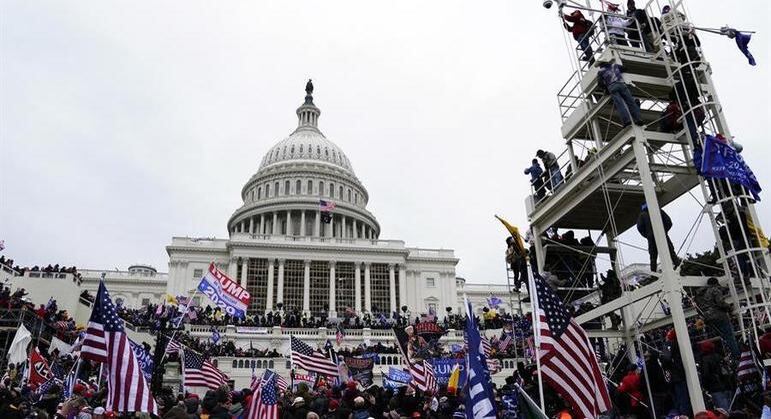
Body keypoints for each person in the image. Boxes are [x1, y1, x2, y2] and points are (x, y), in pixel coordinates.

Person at [695, 278, 740, 357]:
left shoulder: (699, 294)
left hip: (708, 319)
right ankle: (737, 355)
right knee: (730, 337)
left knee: (722, 338)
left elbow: (698, 309)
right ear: (715, 284)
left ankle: (727, 357)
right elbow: (720, 303)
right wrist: (730, 308)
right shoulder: (715, 290)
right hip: (720, 317)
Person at [636, 203, 681, 273]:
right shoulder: (658, 211)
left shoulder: (642, 215)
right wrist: (664, 231)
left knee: (653, 256)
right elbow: (669, 222)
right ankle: (679, 266)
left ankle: (653, 273)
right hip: (662, 235)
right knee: (671, 252)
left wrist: (648, 235)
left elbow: (640, 228)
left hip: (651, 238)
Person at [597, 61, 643, 128]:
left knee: (620, 104)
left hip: (612, 86)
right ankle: (638, 119)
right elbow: (625, 68)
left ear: (600, 65)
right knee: (631, 102)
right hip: (621, 84)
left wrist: (606, 89)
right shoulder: (614, 65)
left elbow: (600, 84)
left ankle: (627, 121)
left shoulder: (600, 72)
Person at [699, 340, 731, 411]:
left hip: (715, 388)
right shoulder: (719, 356)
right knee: (729, 407)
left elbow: (706, 375)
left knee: (723, 410)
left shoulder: (705, 360)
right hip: (726, 385)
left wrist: (705, 386)